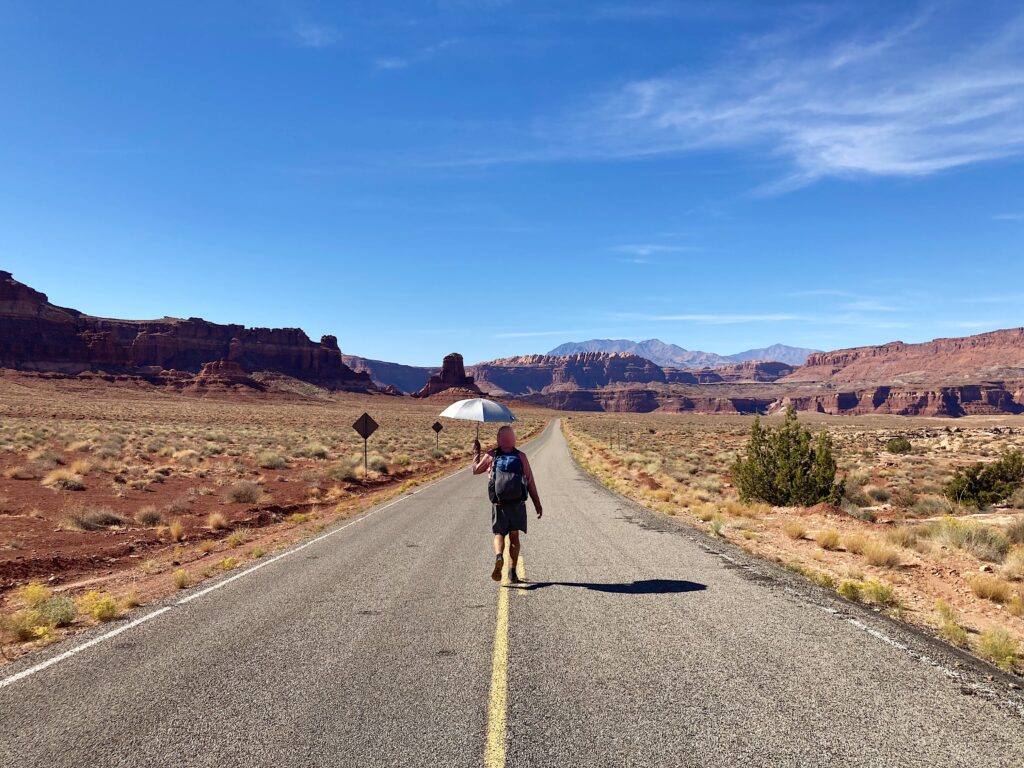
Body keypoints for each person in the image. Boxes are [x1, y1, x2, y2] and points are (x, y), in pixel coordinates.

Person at [472, 425, 542, 583]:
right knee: (514, 537)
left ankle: (498, 556)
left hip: (499, 504)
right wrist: (537, 504)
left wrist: (476, 452)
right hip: (517, 504)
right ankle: (512, 573)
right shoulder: (521, 457)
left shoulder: (492, 456)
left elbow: (475, 470)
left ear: (499, 438)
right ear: (513, 438)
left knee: (499, 534)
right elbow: (530, 482)